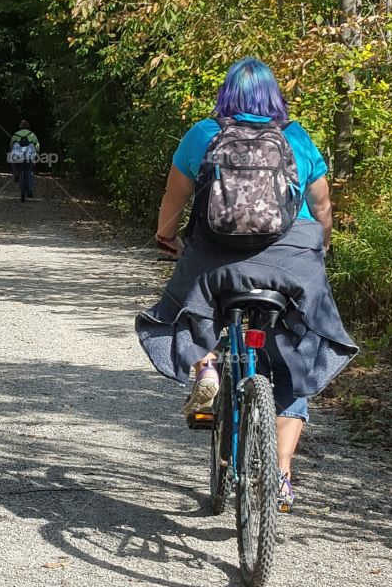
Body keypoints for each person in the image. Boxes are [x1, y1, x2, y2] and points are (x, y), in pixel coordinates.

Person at [136, 57, 357, 511]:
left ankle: (207, 364)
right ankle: (279, 475)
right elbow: (322, 206)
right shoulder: (296, 138)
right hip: (290, 264)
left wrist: (167, 237)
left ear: (226, 96)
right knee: (291, 366)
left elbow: (173, 200)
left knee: (190, 308)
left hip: (216, 262)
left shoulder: (203, 134)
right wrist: (318, 249)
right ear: (274, 96)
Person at [8, 121, 40, 201]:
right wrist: (37, 153)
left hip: (17, 155)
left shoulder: (16, 134)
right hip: (29, 155)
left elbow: (11, 146)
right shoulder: (32, 135)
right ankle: (30, 190)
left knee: (13, 160)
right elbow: (37, 145)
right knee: (29, 171)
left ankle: (16, 173)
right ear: (28, 126)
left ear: (20, 126)